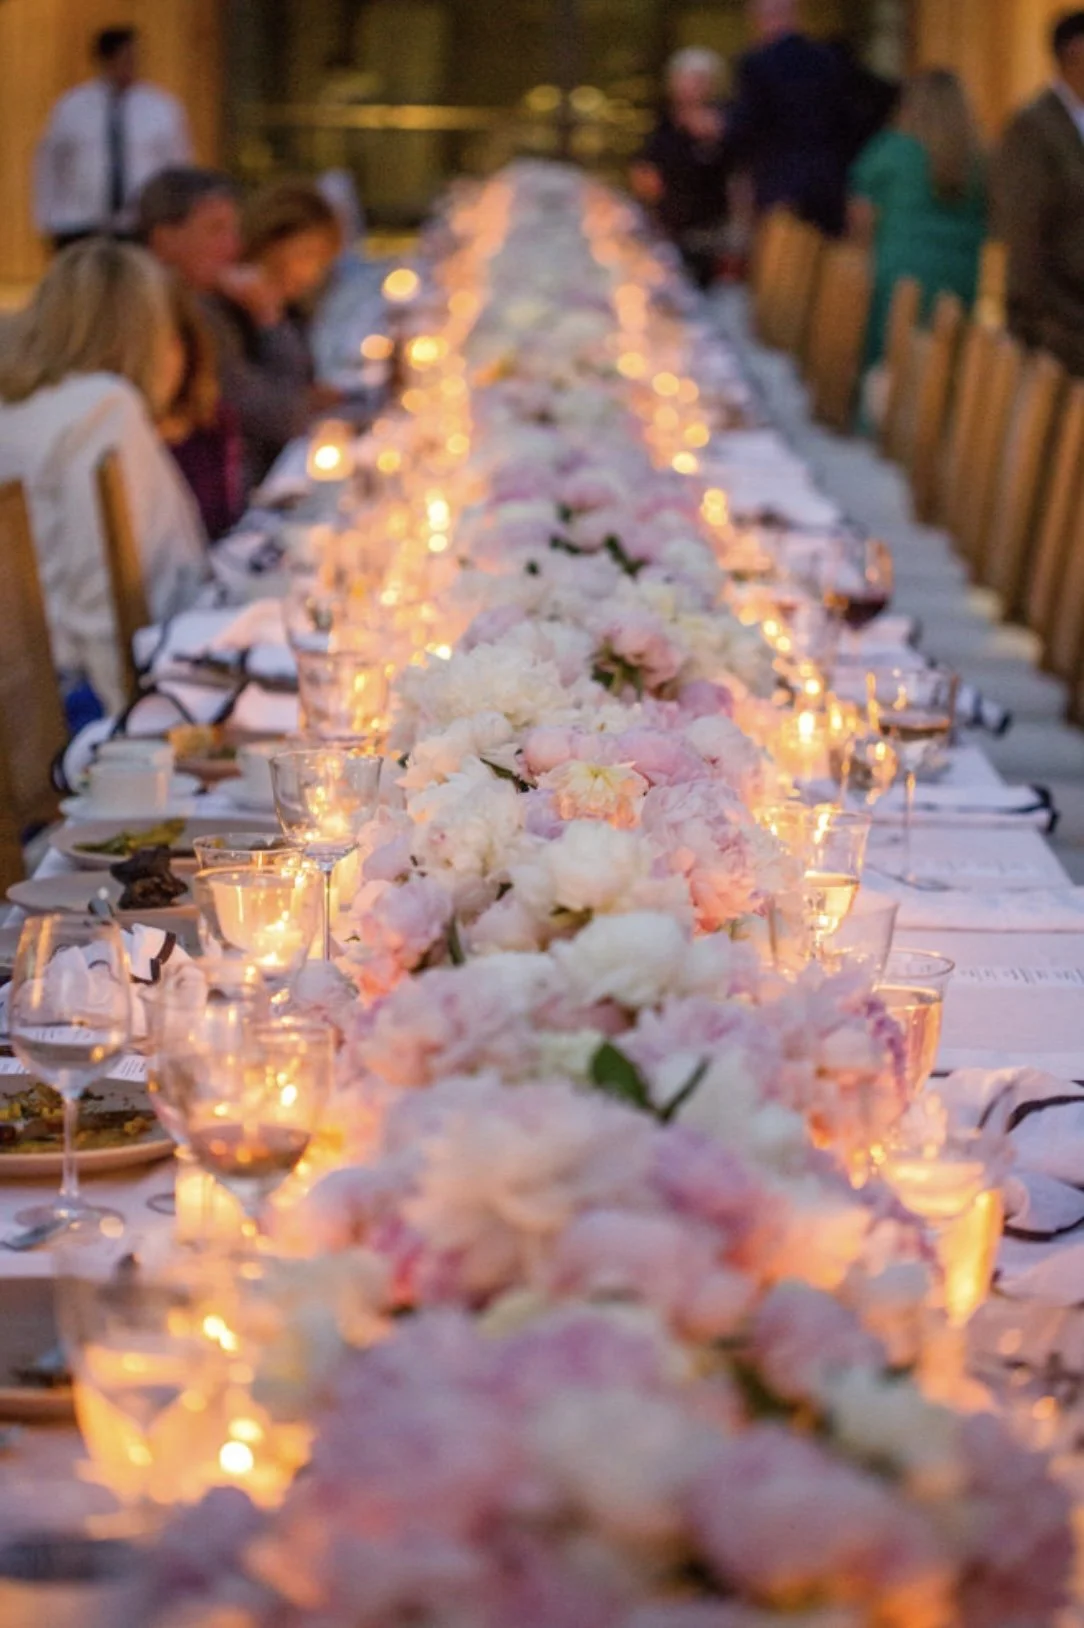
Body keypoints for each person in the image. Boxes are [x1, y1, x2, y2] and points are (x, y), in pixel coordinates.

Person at [0, 240, 207, 715]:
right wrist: (134, 726)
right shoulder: (102, 407)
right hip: (73, 701)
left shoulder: (22, 405)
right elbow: (101, 590)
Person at [138, 167, 311, 487]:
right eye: (215, 230)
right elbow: (286, 419)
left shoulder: (212, 306)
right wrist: (269, 317)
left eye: (234, 230)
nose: (234, 246)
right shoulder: (184, 318)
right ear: (164, 241)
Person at [849, 70, 987, 368]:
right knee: (942, 370)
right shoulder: (979, 161)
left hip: (897, 282)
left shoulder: (891, 150)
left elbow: (860, 221)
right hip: (959, 284)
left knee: (886, 370)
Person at [33, 26, 191, 252]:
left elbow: (177, 167)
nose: (131, 65)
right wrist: (45, 218)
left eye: (135, 58)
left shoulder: (161, 107)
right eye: (124, 58)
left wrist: (176, 219)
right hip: (79, 221)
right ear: (105, 59)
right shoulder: (72, 107)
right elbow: (49, 165)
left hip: (139, 223)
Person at [995, 9, 1084, 376]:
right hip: (1059, 321)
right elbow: (1023, 228)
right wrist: (1030, 320)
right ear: (1074, 53)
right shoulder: (1034, 128)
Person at [727, 0, 851, 235]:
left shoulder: (757, 64)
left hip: (781, 188)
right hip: (828, 184)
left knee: (783, 251)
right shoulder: (829, 59)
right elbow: (846, 122)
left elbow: (747, 127)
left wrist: (721, 127)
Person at [631, 49, 732, 289]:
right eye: (684, 78)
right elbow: (645, 166)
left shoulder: (723, 125)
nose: (690, 87)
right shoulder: (666, 122)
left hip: (705, 241)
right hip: (665, 232)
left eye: (699, 80)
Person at [159, 279, 245, 542]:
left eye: (169, 342)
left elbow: (226, 523)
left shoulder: (210, 423)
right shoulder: (116, 436)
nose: (157, 358)